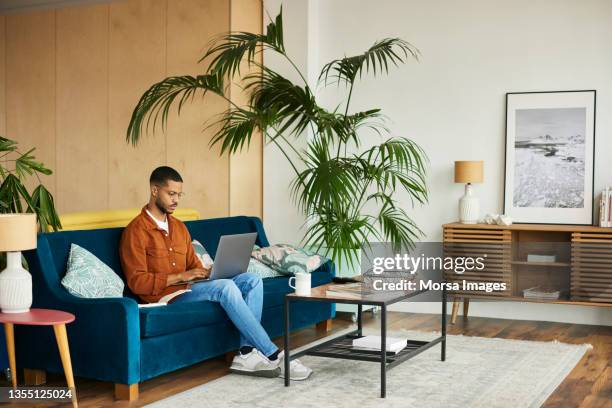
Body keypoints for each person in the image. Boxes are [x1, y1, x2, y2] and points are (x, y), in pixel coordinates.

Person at [119, 166, 312, 380]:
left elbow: (193, 265)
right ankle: (274, 354)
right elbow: (137, 283)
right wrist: (181, 276)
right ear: (154, 191)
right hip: (165, 297)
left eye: (179, 195)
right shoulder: (135, 231)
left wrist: (211, 271)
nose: (176, 200)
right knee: (226, 287)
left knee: (251, 280)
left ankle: (246, 353)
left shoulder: (179, 228)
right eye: (171, 194)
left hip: (191, 288)